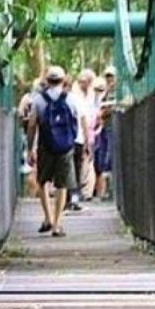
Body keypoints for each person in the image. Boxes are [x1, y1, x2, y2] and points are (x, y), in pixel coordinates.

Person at [26, 65, 79, 237]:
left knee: (43, 181)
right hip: (65, 148)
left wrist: (30, 148)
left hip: (45, 146)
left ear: (46, 81)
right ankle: (57, 224)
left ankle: (48, 218)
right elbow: (76, 121)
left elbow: (32, 125)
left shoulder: (38, 100)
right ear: (64, 81)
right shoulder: (70, 99)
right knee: (61, 185)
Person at [66, 68, 95, 211]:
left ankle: (65, 200)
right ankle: (74, 199)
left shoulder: (56, 99)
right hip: (77, 139)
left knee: (63, 171)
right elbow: (83, 120)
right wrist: (86, 141)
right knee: (76, 170)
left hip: (61, 141)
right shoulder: (77, 100)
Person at [94, 65, 118, 199]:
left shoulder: (120, 91)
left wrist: (104, 112)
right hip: (105, 128)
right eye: (107, 76)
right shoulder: (106, 93)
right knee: (104, 159)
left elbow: (119, 105)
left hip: (114, 128)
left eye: (111, 76)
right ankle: (108, 192)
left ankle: (111, 192)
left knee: (110, 157)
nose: (109, 79)